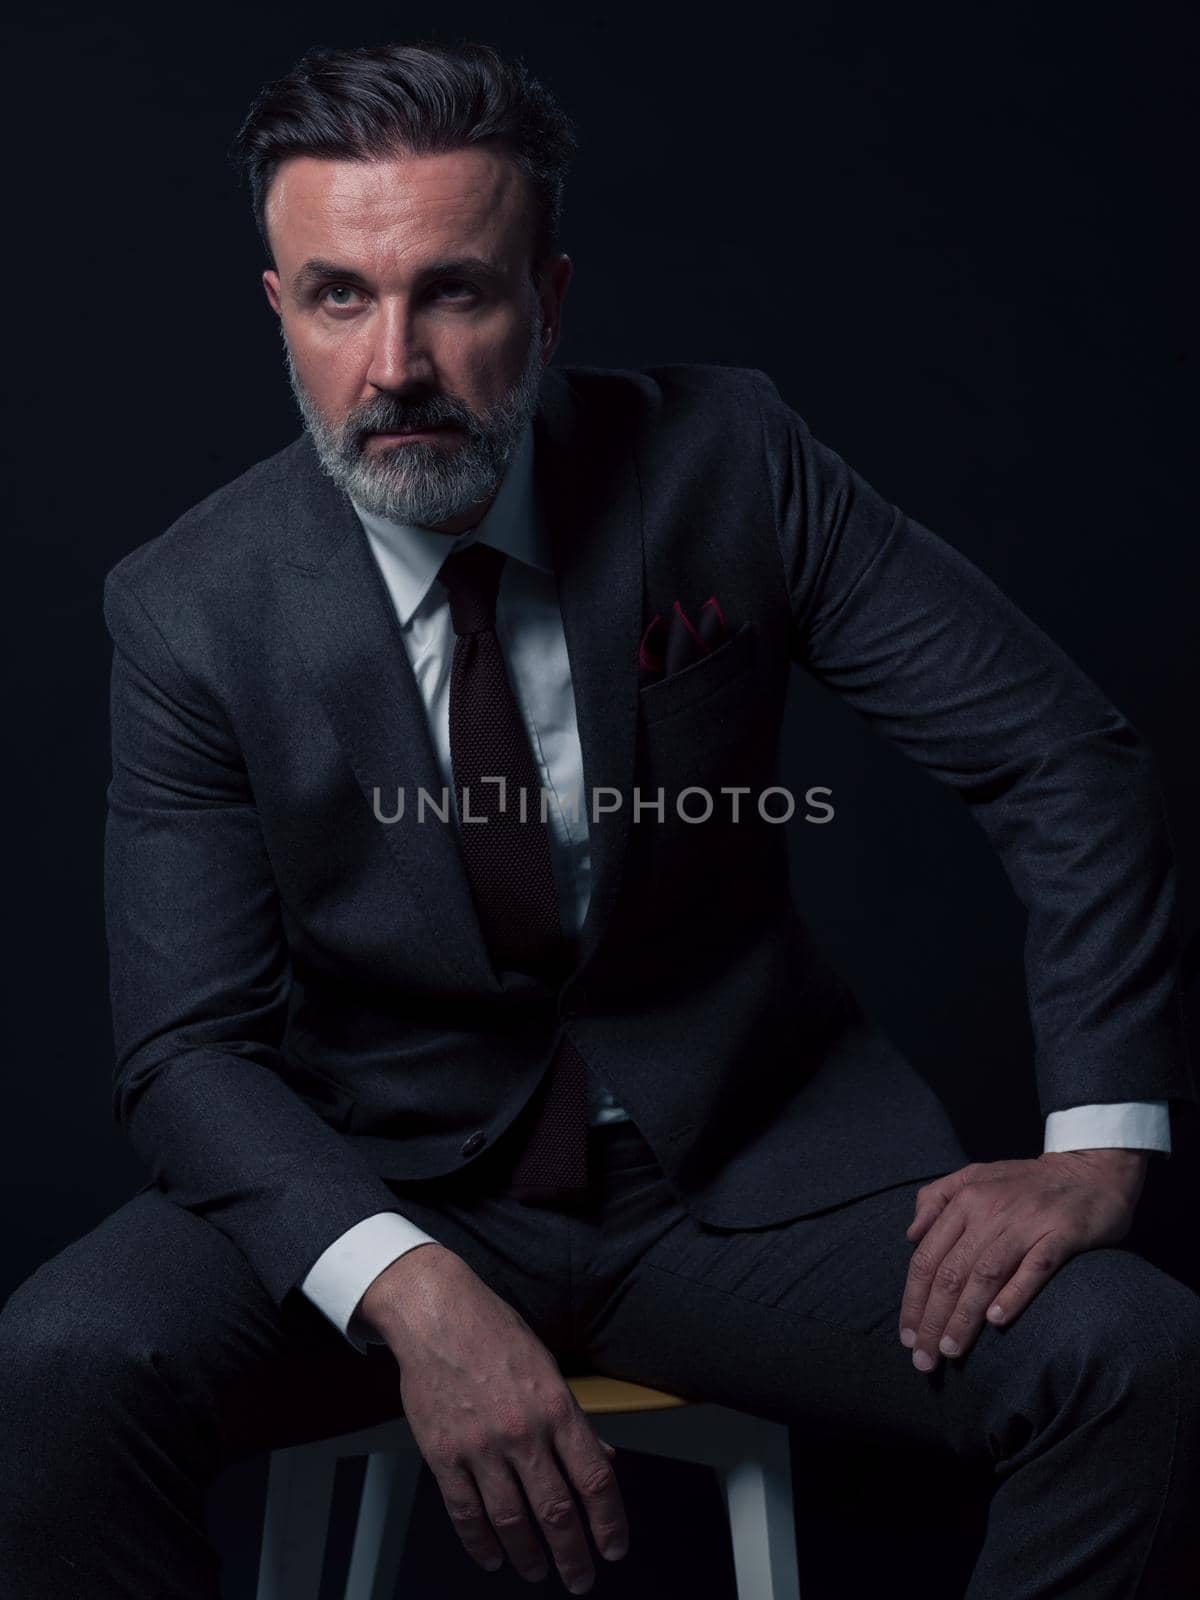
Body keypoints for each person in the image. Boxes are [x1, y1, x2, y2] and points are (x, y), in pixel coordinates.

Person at [1, 37, 1197, 1600]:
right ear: (281, 310)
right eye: (340, 297)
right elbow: (185, 1054)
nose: (397, 367)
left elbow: (1063, 756)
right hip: (387, 1182)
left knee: (1134, 1349)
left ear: (548, 302)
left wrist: (1100, 1140)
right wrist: (416, 1292)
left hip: (746, 1190)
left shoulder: (730, 461)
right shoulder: (188, 610)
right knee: (66, 1364)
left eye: (456, 291)